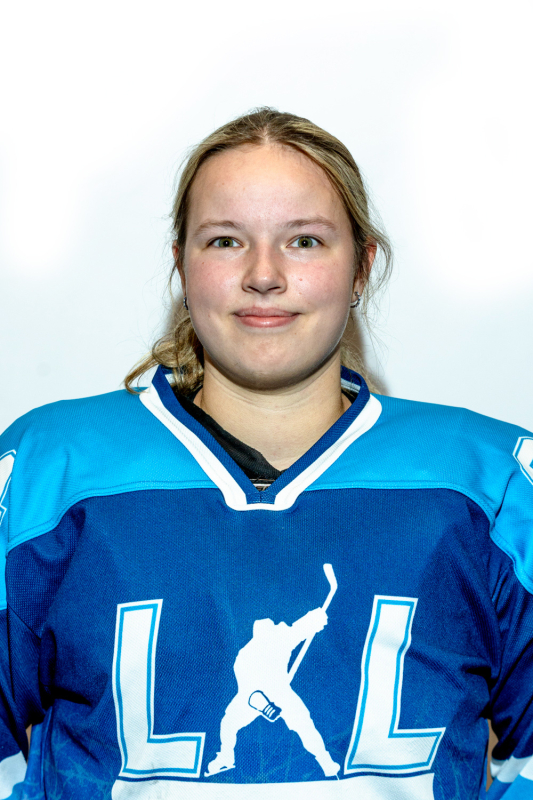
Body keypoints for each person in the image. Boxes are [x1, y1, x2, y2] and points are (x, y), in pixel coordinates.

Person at [0, 107, 532, 800]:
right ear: (182, 265)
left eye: (304, 241)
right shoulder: (51, 469)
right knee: (239, 728)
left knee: (297, 727)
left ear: (362, 266)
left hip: (278, 694)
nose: (263, 274)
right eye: (225, 241)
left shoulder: (485, 481)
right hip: (256, 694)